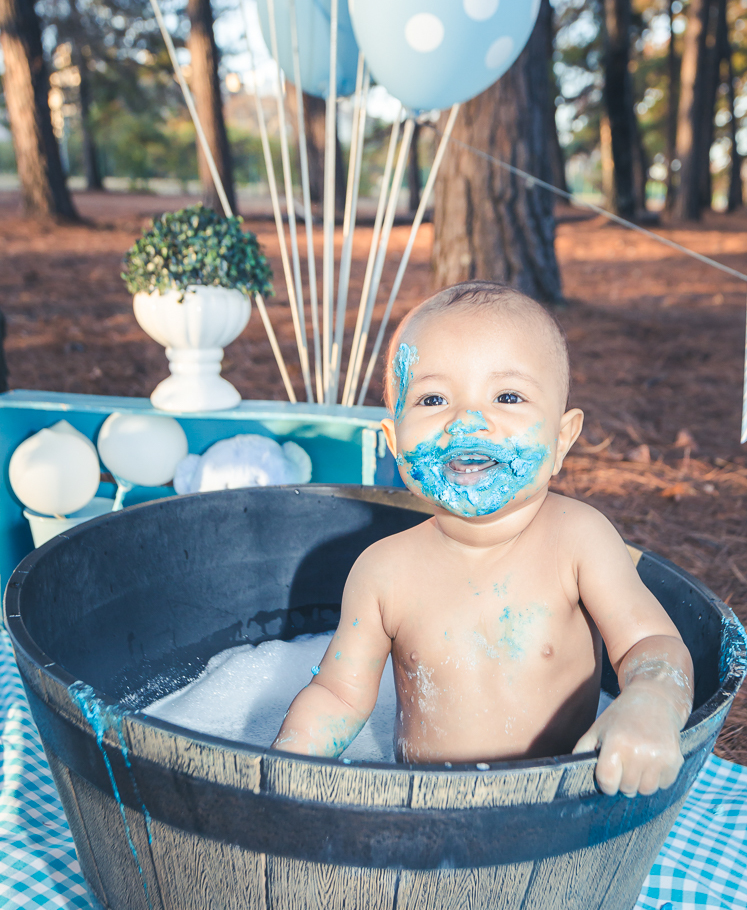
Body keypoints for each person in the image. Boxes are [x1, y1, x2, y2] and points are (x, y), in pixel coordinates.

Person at [272, 281, 694, 796]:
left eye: (507, 396)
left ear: (562, 440)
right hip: (421, 807)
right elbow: (339, 695)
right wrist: (287, 767)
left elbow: (651, 644)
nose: (467, 420)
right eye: (433, 398)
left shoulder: (579, 540)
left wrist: (649, 702)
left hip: (557, 806)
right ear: (394, 441)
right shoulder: (383, 571)